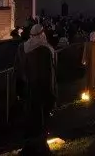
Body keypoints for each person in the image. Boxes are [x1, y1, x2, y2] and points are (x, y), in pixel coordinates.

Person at [20, 24, 57, 155]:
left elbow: (18, 71)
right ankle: (41, 147)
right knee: (42, 119)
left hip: (29, 91)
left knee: (31, 119)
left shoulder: (23, 48)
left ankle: (30, 147)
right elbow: (53, 71)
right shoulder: (48, 50)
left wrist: (19, 90)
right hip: (44, 90)